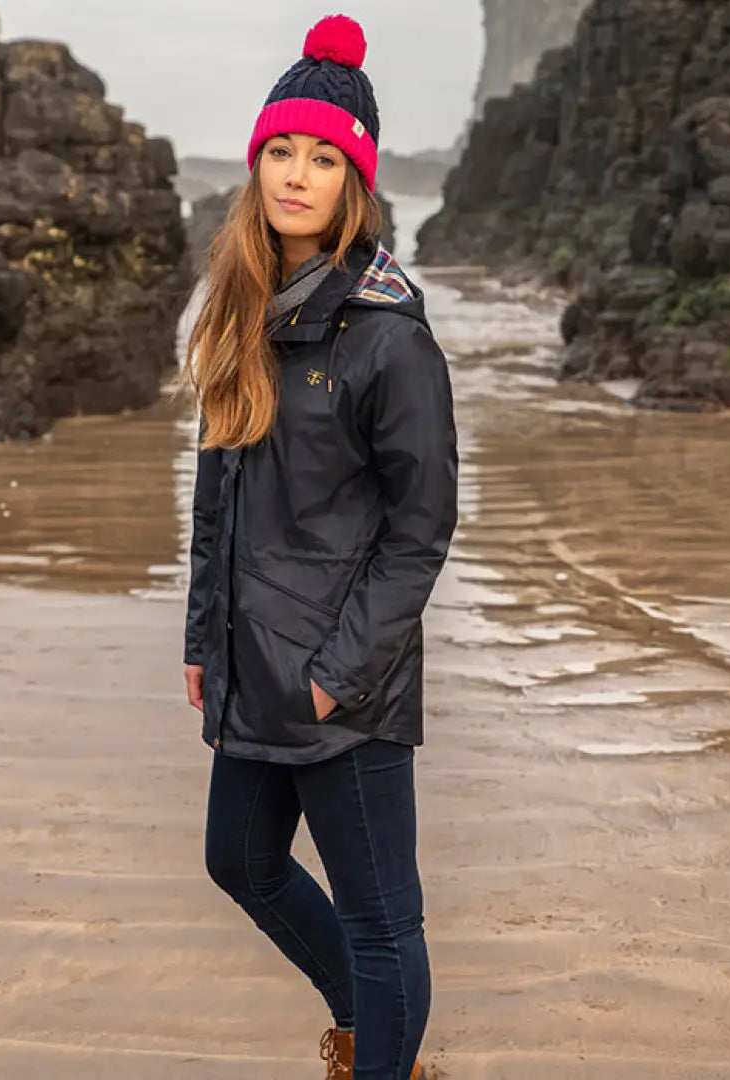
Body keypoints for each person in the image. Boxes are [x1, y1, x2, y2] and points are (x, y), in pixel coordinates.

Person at [181, 15, 458, 1080]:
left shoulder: (389, 334)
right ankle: (372, 1029)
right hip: (250, 665)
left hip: (345, 685)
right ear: (258, 165)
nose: (298, 176)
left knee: (383, 920)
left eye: (325, 158)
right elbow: (220, 490)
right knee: (241, 860)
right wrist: (205, 636)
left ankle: (378, 1056)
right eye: (282, 152)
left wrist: (340, 677)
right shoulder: (241, 310)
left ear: (357, 180)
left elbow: (421, 527)